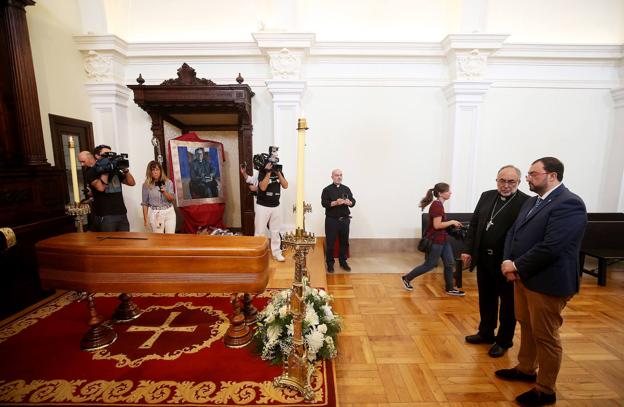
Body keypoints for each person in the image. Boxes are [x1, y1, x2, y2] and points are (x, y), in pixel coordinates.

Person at [496, 157, 587, 406]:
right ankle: (526, 369)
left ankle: (546, 390)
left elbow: (552, 247)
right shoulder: (534, 201)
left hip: (548, 281)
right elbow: (513, 233)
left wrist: (516, 265)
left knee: (546, 336)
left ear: (552, 176)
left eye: (533, 174)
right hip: (524, 277)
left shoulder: (569, 203)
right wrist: (508, 262)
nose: (528, 178)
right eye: (528, 174)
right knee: (526, 324)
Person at [461, 165, 530, 358]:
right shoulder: (487, 196)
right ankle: (486, 332)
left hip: (506, 263)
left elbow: (523, 236)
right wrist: (467, 250)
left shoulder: (526, 202)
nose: (506, 185)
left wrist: (515, 263)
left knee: (508, 304)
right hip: (483, 258)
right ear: (497, 180)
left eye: (511, 181)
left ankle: (503, 340)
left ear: (518, 182)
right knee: (486, 298)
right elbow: (475, 224)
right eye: (502, 180)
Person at [401, 183, 465, 296]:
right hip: (436, 241)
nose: (450, 192)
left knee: (449, 263)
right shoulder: (437, 205)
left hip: (443, 239)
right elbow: (437, 225)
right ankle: (407, 278)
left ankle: (450, 288)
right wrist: (452, 222)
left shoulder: (439, 204)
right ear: (440, 193)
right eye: (448, 191)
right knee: (429, 265)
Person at [86, 145, 136, 231]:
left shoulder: (115, 169)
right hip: (106, 215)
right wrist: (106, 171)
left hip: (121, 213)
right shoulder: (92, 171)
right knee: (109, 243)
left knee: (126, 242)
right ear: (97, 156)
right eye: (106, 154)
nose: (110, 157)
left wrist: (126, 171)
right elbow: (101, 188)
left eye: (111, 155)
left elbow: (132, 183)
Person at [321, 169, 356, 273]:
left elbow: (353, 201)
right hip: (332, 220)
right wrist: (335, 203)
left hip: (344, 220)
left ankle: (343, 261)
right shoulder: (327, 190)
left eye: (341, 175)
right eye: (337, 175)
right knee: (330, 243)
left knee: (344, 242)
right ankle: (330, 264)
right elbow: (324, 204)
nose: (339, 177)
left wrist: (350, 203)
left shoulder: (346, 189)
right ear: (332, 177)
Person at [256, 160, 288, 261]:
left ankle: (277, 253)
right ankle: (258, 253)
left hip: (276, 206)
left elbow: (285, 185)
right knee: (260, 231)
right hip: (263, 206)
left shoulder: (278, 172)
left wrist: (278, 173)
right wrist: (268, 172)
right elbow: (263, 187)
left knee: (275, 231)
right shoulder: (262, 171)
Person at [141, 161, 176, 233]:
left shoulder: (168, 182)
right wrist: (145, 220)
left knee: (171, 238)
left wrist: (164, 192)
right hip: (156, 214)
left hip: (169, 212)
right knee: (159, 239)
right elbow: (145, 203)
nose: (155, 172)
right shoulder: (146, 185)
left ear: (160, 171)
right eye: (153, 170)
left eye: (157, 170)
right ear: (150, 172)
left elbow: (172, 199)